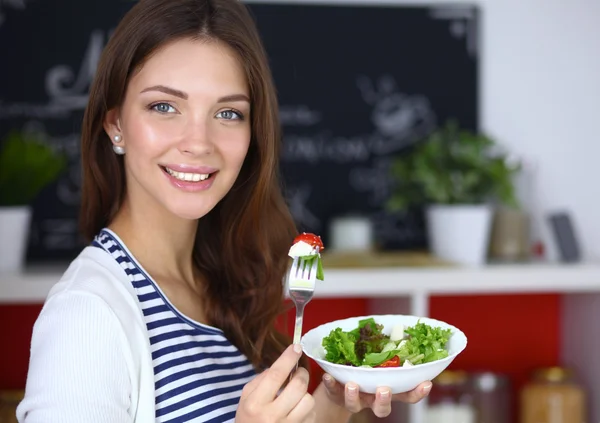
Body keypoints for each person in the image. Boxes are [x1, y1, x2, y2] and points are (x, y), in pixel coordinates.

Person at [16, 0, 432, 422]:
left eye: (228, 113)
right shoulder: (86, 315)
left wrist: (337, 398)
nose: (198, 142)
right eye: (164, 106)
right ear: (115, 124)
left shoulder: (220, 280)